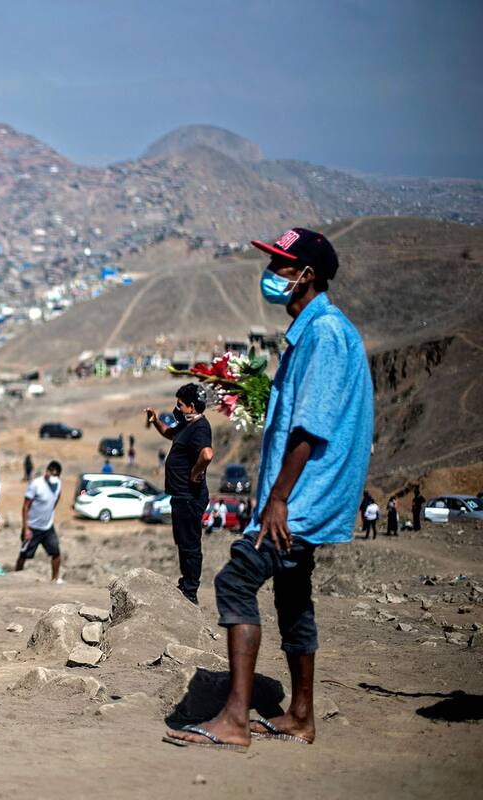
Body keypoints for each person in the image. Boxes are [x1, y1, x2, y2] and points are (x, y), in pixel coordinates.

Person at [165, 227, 372, 750]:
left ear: (308, 275)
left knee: (236, 582)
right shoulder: (313, 331)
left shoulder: (324, 333)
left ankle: (234, 719)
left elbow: (310, 427)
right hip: (303, 497)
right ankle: (300, 716)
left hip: (301, 499)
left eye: (282, 265)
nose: (272, 274)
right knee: (293, 595)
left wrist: (278, 498)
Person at [146, 383, 214, 604]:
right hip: (180, 497)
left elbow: (207, 454)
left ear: (192, 406)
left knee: (190, 544)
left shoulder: (201, 427)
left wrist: (195, 472)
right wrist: (156, 420)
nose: (177, 408)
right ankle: (186, 583)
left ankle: (191, 591)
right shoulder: (186, 425)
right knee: (182, 541)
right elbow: (169, 434)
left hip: (190, 497)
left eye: (180, 405)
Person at [16, 460, 64, 583]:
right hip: (32, 527)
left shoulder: (58, 484)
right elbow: (25, 506)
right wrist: (26, 528)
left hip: (47, 527)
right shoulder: (36, 484)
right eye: (52, 474)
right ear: (47, 472)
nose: (54, 477)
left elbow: (56, 499)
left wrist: (49, 515)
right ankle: (15, 579)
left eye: (57, 475)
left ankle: (55, 579)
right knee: (24, 555)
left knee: (56, 552)